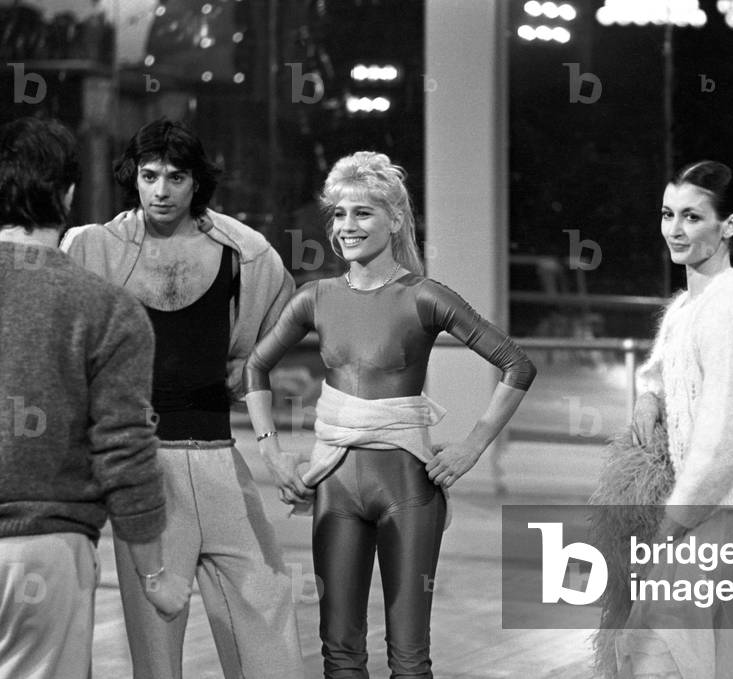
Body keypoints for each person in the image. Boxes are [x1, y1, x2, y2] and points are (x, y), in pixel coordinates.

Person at [243, 151, 536, 678]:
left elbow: (516, 364)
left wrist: (472, 447)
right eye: (338, 213)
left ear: (396, 219)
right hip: (334, 486)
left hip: (408, 489)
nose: (346, 226)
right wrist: (272, 455)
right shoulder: (316, 297)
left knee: (408, 656)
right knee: (339, 653)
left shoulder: (424, 296)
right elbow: (255, 368)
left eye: (362, 213)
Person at [60, 119, 303, 679]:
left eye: (175, 176)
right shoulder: (95, 247)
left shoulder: (245, 252)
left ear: (197, 182)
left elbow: (280, 320)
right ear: (134, 178)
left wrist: (249, 377)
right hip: (143, 467)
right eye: (149, 176)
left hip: (221, 455)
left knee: (269, 620)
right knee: (156, 654)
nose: (161, 190)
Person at [0, 117, 190, 678]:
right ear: (67, 194)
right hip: (42, 551)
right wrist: (155, 573)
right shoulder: (105, 308)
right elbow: (124, 450)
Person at [606, 160, 733, 679]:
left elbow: (723, 441)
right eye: (668, 214)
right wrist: (648, 397)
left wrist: (673, 523)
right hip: (704, 513)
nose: (674, 229)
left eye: (692, 217)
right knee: (688, 657)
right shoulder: (689, 306)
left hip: (717, 515)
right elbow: (662, 369)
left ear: (728, 226)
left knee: (658, 659)